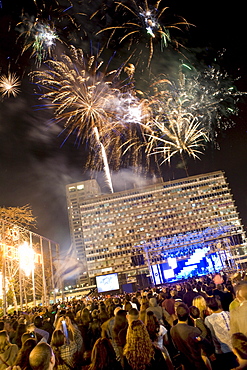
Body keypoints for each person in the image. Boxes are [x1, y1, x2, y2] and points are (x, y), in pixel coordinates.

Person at [170, 304, 214, 370]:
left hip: (185, 362)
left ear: (176, 313)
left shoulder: (172, 330)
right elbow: (201, 343)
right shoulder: (193, 330)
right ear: (188, 315)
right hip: (196, 363)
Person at [205, 297, 238, 370]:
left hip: (221, 350)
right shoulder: (228, 313)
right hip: (234, 346)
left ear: (208, 308)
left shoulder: (208, 319)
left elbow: (211, 334)